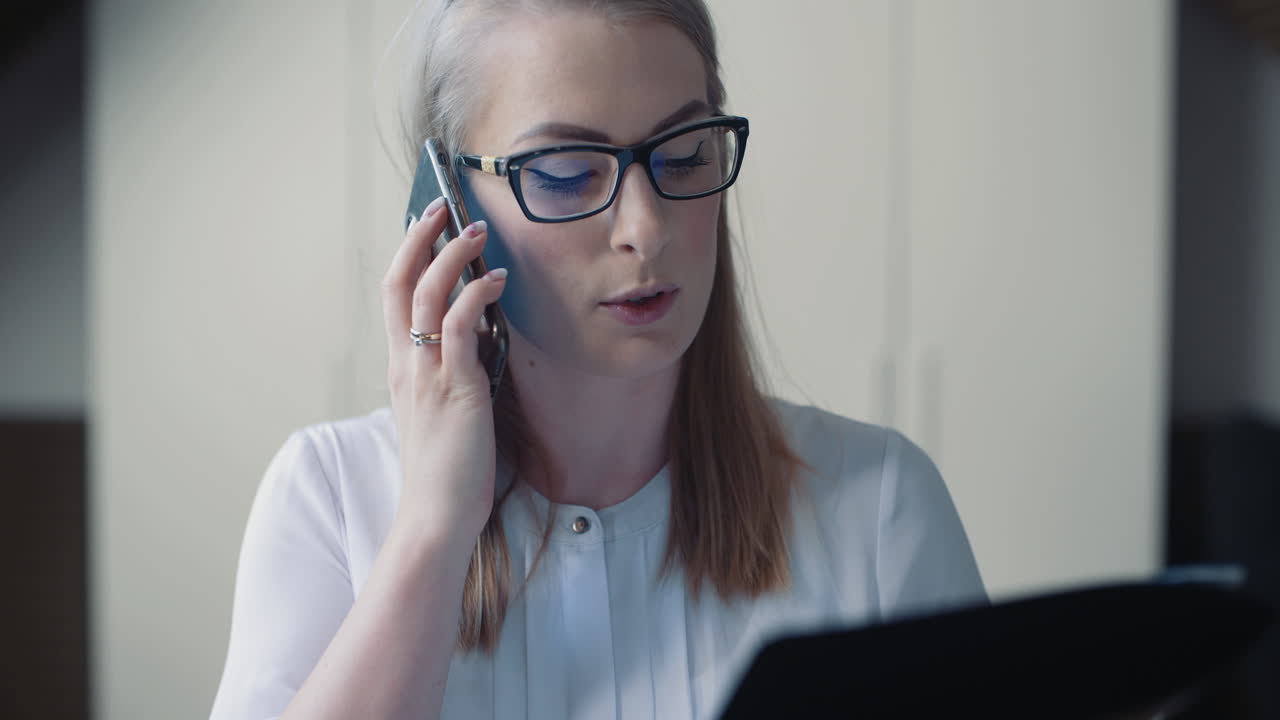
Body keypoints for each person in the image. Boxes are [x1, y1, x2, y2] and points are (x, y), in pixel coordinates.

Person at [210, 1, 985, 718]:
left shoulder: (881, 508)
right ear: (447, 206)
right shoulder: (329, 498)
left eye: (683, 157)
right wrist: (430, 532)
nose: (644, 229)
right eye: (565, 172)